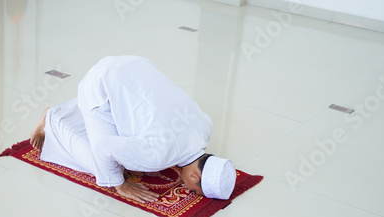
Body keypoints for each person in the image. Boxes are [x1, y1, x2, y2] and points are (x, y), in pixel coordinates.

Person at [30, 56, 236, 203]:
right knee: (103, 164)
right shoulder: (157, 156)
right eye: (195, 192)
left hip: (135, 65)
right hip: (98, 84)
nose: (189, 191)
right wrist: (119, 184)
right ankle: (53, 118)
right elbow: (103, 148)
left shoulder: (206, 127)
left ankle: (77, 109)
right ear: (195, 178)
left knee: (129, 134)